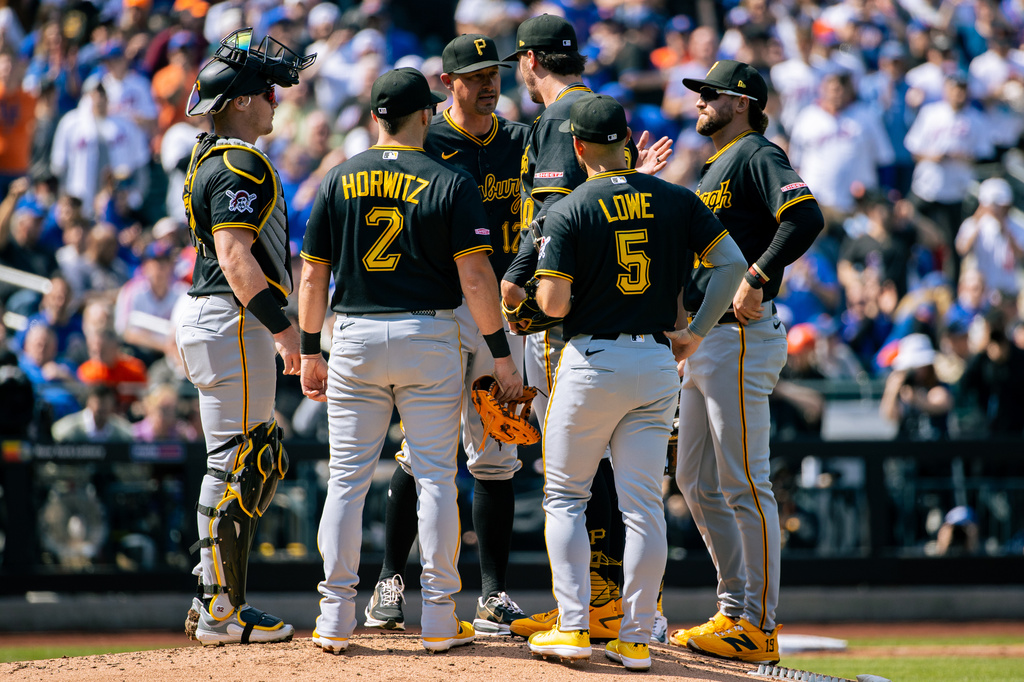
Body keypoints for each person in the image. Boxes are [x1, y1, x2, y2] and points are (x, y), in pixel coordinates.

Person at [298, 67, 523, 655]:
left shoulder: (338, 176)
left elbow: (314, 275)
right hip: (428, 334)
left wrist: (308, 349)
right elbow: (476, 279)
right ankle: (440, 617)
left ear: (376, 116)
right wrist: (500, 354)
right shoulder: (449, 179)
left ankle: (334, 615)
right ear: (426, 113)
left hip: (354, 334)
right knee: (436, 478)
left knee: (346, 481)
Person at [524, 93, 745, 669]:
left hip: (592, 359)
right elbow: (731, 265)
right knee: (643, 506)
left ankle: (574, 626)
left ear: (577, 147)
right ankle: (637, 636)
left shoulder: (570, 206)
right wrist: (696, 331)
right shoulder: (676, 198)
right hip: (656, 360)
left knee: (565, 497)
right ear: (626, 139)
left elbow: (552, 303)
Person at [498, 13, 672, 643]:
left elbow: (548, 217)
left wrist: (515, 279)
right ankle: (628, 608)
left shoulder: (560, 118)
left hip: (568, 319)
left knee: (572, 469)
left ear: (529, 61)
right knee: (629, 481)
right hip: (633, 324)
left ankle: (592, 601)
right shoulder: (601, 112)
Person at [365, 34, 531, 637]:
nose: (489, 83)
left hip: (502, 312)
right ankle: (389, 581)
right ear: (447, 83)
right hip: (439, 310)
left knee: (498, 452)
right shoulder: (423, 141)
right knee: (423, 450)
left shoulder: (521, 140)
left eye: (495, 73)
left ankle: (492, 594)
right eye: (475, 75)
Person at [669, 60, 824, 664]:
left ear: (742, 102)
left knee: (742, 481)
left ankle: (758, 623)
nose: (699, 101)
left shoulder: (756, 152)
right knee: (695, 480)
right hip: (708, 339)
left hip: (739, 336)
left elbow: (805, 215)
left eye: (710, 94)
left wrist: (758, 275)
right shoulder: (716, 163)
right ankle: (734, 607)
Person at [175, 27, 314, 646]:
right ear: (238, 101)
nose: (275, 100)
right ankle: (221, 610)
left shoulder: (210, 155)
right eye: (266, 91)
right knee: (242, 462)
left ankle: (214, 596)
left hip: (216, 318)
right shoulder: (239, 162)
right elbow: (235, 258)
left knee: (238, 460)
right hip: (233, 319)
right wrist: (286, 331)